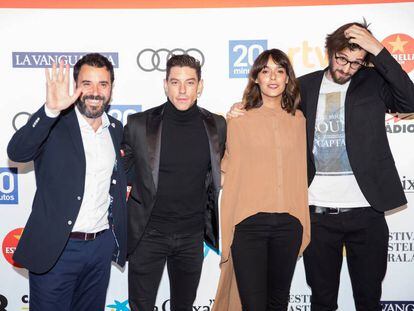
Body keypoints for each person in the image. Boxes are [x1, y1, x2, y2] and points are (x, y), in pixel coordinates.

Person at [228, 22, 414, 310]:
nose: (347, 68)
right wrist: (239, 110)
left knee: (369, 300)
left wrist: (378, 50)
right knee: (322, 301)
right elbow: (272, 117)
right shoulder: (305, 86)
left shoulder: (375, 82)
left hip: (367, 213)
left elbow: (409, 100)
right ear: (330, 52)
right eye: (342, 58)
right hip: (317, 214)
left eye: (356, 62)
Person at [7, 53, 127, 310]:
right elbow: (17, 152)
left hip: (99, 249)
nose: (95, 92)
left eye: (103, 84)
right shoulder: (54, 124)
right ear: (76, 87)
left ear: (111, 90)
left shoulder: (116, 129)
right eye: (87, 83)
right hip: (57, 249)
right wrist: (50, 110)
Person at [122, 54, 226, 311]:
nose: (182, 90)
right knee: (141, 306)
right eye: (175, 82)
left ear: (200, 86)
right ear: (165, 84)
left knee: (184, 306)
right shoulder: (138, 124)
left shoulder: (217, 125)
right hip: (148, 234)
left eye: (189, 83)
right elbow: (121, 171)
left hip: (191, 237)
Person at [213, 49, 310, 311]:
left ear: (288, 78)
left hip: (289, 225)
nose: (273, 77)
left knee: (278, 303)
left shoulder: (298, 120)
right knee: (253, 305)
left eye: (280, 71)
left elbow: (300, 173)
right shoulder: (238, 119)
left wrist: (303, 223)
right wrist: (226, 117)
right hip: (249, 225)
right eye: (265, 71)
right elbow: (222, 168)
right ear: (256, 78)